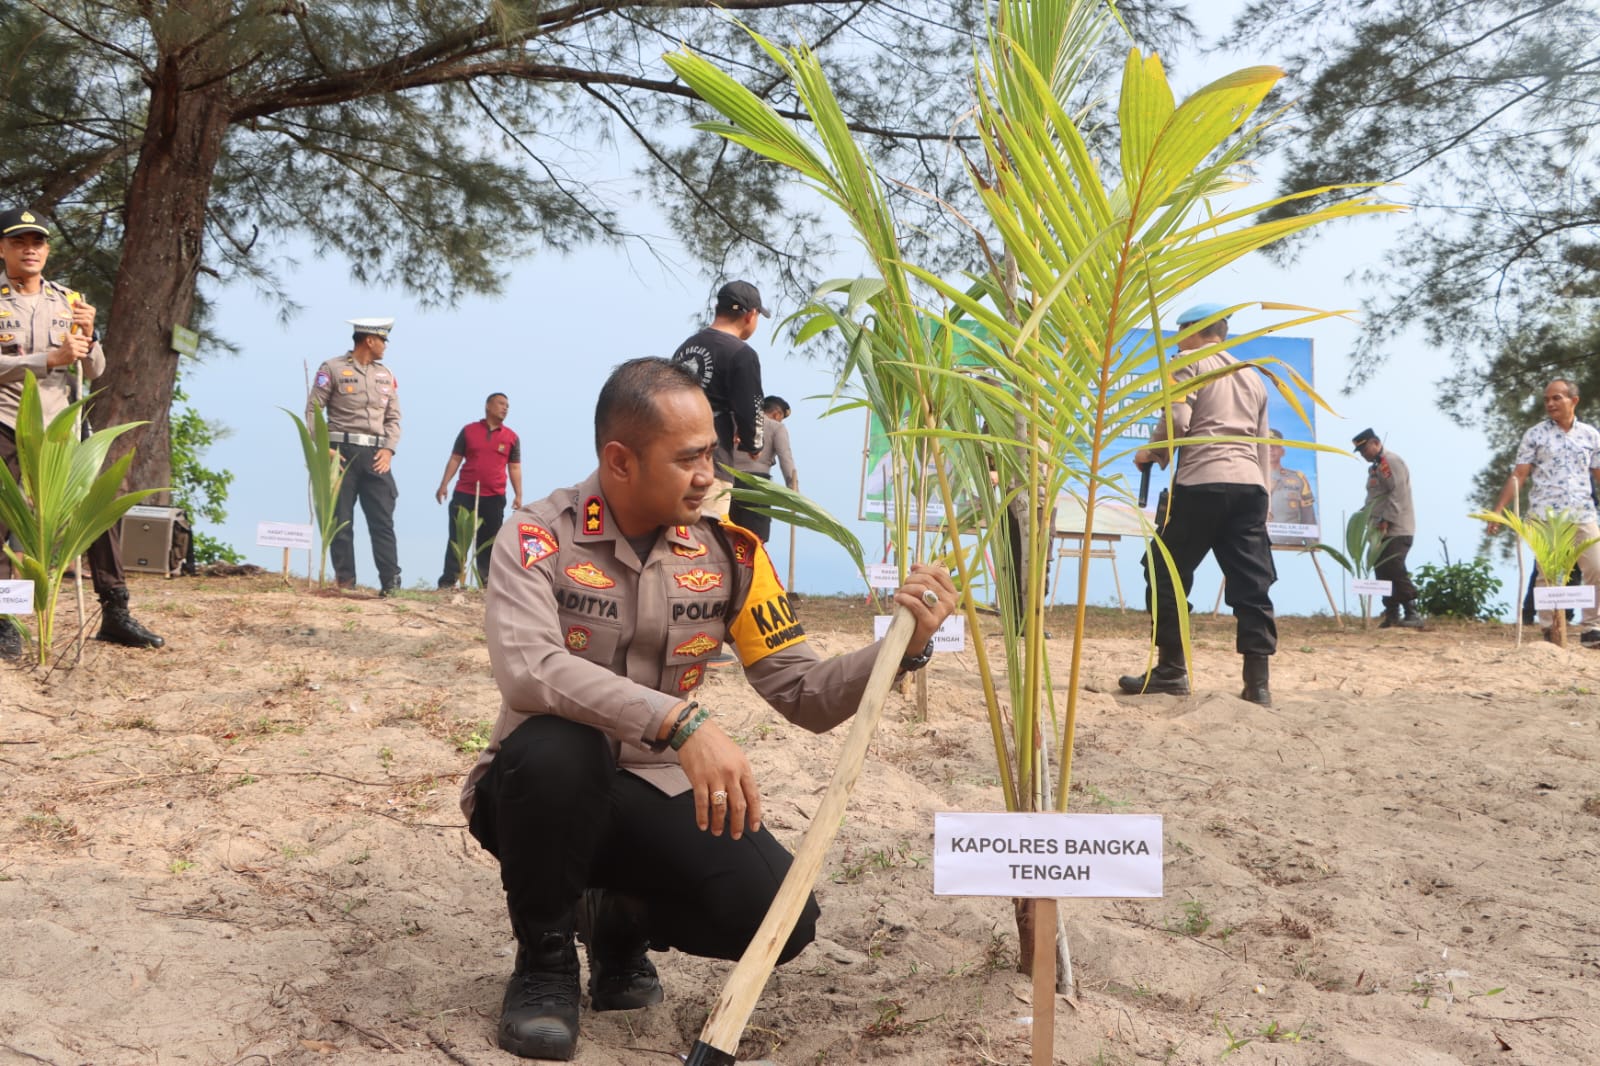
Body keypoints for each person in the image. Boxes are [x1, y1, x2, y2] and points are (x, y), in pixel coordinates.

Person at [463, 357, 955, 1060]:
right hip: (533, 794)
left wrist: (903, 646)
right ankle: (544, 962)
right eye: (689, 459)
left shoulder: (733, 556)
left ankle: (618, 920)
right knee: (558, 750)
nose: (710, 476)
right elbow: (529, 671)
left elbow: (803, 692)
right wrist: (679, 721)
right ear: (620, 461)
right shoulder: (537, 538)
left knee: (780, 917)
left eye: (712, 455)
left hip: (650, 790)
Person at [0, 207, 164, 659]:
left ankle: (115, 611)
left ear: (47, 250)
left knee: (97, 516)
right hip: (7, 423)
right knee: (3, 519)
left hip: (63, 427)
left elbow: (95, 370)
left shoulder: (68, 300)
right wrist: (46, 360)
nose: (29, 250)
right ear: (2, 249)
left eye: (37, 242)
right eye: (18, 242)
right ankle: (5, 620)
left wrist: (90, 340)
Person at [1118, 303, 1276, 706]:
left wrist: (1153, 452)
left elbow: (1177, 420)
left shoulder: (1186, 362)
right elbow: (1262, 444)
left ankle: (1172, 669)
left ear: (1195, 330)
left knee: (1164, 569)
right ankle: (1257, 685)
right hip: (1250, 488)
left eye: (1180, 330)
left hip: (1203, 483)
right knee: (1252, 585)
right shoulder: (1251, 375)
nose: (1176, 338)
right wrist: (1264, 499)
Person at [1488, 378, 1600, 644]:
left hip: (1583, 513)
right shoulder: (1535, 435)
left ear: (1574, 400)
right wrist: (1498, 510)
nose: (1550, 404)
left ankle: (1592, 628)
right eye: (1547, 399)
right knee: (1547, 572)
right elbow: (1519, 474)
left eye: (1556, 398)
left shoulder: (1591, 435)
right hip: (1545, 515)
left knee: (1597, 567)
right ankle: (1550, 629)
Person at [306, 317, 402, 594]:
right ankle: (345, 582)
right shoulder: (332, 368)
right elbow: (313, 410)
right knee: (341, 519)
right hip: (340, 452)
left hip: (375, 454)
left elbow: (394, 418)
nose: (385, 346)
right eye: (383, 340)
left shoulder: (386, 374)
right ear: (369, 340)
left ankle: (391, 583)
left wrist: (388, 449)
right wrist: (323, 447)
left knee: (382, 521)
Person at [670, 280, 768, 520]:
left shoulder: (686, 348)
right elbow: (751, 409)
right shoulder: (741, 354)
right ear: (751, 315)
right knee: (709, 535)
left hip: (673, 460)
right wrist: (753, 445)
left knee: (675, 533)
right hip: (711, 464)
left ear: (717, 308)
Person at [435, 392, 523, 588]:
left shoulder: (511, 437)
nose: (505, 408)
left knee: (489, 541)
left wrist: (518, 495)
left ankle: (487, 583)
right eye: (501, 403)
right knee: (458, 537)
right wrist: (444, 484)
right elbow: (455, 458)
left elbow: (514, 467)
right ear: (488, 406)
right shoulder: (469, 431)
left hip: (494, 496)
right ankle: (449, 581)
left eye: (507, 405)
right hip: (465, 493)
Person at [1352, 428, 1424, 628]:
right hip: (1378, 529)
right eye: (1360, 452)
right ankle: (1392, 614)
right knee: (1382, 570)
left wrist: (1387, 519)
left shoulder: (1390, 462)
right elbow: (1375, 497)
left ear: (1376, 443)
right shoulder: (1375, 467)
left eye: (1365, 449)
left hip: (1396, 528)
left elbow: (1398, 493)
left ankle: (1412, 611)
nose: (1363, 454)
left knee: (1394, 567)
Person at [728, 394, 797, 542]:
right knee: (755, 539)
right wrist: (793, 489)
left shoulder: (735, 420)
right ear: (777, 414)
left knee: (728, 536)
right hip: (756, 485)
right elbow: (785, 458)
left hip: (728, 483)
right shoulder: (776, 427)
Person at [1266, 429, 1317, 545]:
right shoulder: (1249, 477)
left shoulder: (1298, 479)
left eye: (1275, 445)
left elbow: (1308, 518)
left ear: (1283, 451)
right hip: (1255, 547)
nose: (1270, 449)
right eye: (1266, 444)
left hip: (1291, 546)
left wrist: (1313, 546)